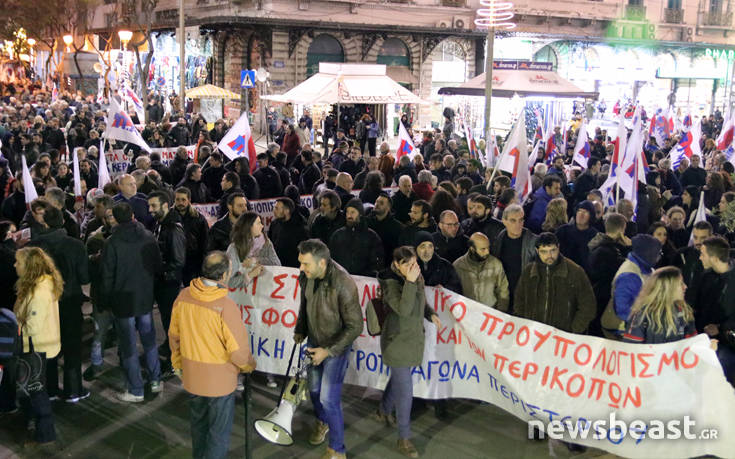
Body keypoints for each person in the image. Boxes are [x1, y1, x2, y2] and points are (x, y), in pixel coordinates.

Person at [169, 251, 256, 459]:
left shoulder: (183, 297)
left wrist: (179, 365)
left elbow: (174, 337)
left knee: (198, 427)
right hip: (220, 382)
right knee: (218, 433)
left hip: (192, 377)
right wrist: (248, 366)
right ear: (225, 276)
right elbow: (238, 352)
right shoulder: (226, 307)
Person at [293, 239, 362, 459]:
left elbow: (355, 326)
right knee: (314, 390)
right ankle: (323, 422)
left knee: (328, 399)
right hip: (314, 342)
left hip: (336, 348)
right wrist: (300, 328)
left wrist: (328, 351)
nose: (301, 269)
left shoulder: (344, 282)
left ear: (322, 262)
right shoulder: (307, 276)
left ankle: (337, 450)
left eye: (305, 264)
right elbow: (305, 303)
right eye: (300, 263)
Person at [373, 246, 441, 458]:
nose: (413, 268)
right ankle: (404, 438)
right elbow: (403, 309)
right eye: (407, 264)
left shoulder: (415, 278)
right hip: (397, 342)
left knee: (400, 379)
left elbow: (419, 303)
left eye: (415, 264)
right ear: (396, 265)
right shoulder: (391, 284)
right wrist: (411, 281)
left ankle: (383, 410)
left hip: (412, 340)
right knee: (405, 391)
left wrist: (430, 314)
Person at [100, 203, 163, 402]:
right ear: (133, 215)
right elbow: (157, 266)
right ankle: (155, 380)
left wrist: (105, 300)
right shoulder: (148, 236)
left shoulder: (112, 243)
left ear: (115, 219)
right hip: (144, 298)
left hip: (122, 301)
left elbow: (107, 276)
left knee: (128, 346)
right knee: (149, 340)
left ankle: (135, 389)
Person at [28, 207, 90, 402]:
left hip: (45, 304)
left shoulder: (33, 247)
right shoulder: (76, 245)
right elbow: (84, 277)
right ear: (62, 221)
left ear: (43, 223)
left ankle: (50, 389)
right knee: (72, 347)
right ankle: (73, 390)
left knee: (47, 346)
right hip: (70, 302)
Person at [13, 247, 63, 446]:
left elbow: (33, 326)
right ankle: (36, 423)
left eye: (18, 262)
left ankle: (45, 432)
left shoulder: (37, 291)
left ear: (28, 266)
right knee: (38, 388)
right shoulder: (45, 283)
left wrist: (17, 324)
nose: (14, 265)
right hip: (45, 345)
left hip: (36, 347)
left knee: (36, 389)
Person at [514, 232, 596, 333]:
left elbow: (588, 306)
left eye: (552, 250)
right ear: (537, 251)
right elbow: (519, 301)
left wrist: (572, 331)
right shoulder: (529, 271)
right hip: (533, 336)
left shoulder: (575, 272)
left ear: (558, 248)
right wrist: (525, 326)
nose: (549, 255)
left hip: (562, 339)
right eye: (544, 252)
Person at [147, 191, 186, 376]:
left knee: (171, 323)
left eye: (153, 206)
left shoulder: (172, 228)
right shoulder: (161, 224)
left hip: (169, 284)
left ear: (165, 205)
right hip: (162, 282)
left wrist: (159, 270)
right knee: (167, 322)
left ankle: (176, 361)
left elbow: (178, 260)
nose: (150, 210)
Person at [602, 234, 662, 339]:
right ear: (648, 253)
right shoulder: (629, 275)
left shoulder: (646, 269)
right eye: (657, 253)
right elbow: (623, 310)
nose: (659, 256)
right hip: (621, 329)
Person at [695, 236, 735, 382]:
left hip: (727, 346)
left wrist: (720, 328)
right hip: (704, 341)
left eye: (703, 254)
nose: (700, 258)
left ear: (715, 258)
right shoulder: (706, 276)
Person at [623, 267, 697, 344]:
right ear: (667, 287)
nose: (685, 287)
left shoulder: (684, 313)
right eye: (681, 284)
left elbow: (693, 345)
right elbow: (632, 348)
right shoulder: (642, 314)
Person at [586, 213, 631, 337]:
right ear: (621, 230)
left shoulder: (596, 246)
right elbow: (624, 269)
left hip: (595, 297)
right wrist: (628, 249)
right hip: (605, 301)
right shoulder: (609, 252)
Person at [492, 204, 538, 313]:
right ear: (504, 221)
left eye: (521, 220)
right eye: (513, 220)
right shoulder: (498, 240)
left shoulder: (534, 242)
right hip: (504, 294)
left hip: (525, 295)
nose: (518, 224)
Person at [453, 233, 509, 311]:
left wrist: (501, 313)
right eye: (483, 249)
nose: (487, 252)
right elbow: (454, 293)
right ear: (472, 249)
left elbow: (503, 291)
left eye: (488, 248)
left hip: (490, 314)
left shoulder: (496, 264)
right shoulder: (458, 266)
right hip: (467, 313)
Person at [328, 198, 384, 276]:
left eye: (353, 212)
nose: (349, 215)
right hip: (342, 280)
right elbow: (332, 260)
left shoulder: (372, 237)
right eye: (347, 212)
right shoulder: (337, 235)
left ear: (360, 214)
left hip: (365, 282)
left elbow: (377, 264)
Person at [174, 188, 210, 286]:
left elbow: (205, 242)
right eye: (177, 199)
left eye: (183, 199)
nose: (180, 202)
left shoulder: (198, 219)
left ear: (189, 200)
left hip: (193, 262)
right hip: (174, 263)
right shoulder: (169, 218)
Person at [555, 200, 598, 271]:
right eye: (579, 211)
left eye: (585, 212)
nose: (581, 215)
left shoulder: (595, 236)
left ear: (591, 216)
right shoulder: (562, 231)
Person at [366, 192, 405, 268]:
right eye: (376, 201)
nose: (377, 204)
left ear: (388, 208)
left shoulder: (397, 227)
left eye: (381, 203)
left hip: (387, 266)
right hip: (367, 265)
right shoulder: (366, 222)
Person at [269, 197, 309, 268]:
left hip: (293, 269)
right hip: (278, 266)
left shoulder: (301, 228)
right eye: (274, 208)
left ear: (287, 211)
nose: (274, 211)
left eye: (277, 208)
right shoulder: (274, 224)